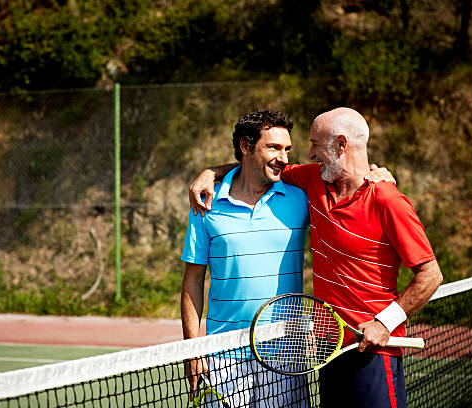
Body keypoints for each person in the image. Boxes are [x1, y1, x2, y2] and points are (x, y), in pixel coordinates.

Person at [188, 107, 443, 408]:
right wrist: (212, 172)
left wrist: (384, 323)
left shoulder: (388, 200)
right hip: (328, 349)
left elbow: (431, 275)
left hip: (373, 350)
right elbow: (257, 165)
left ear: (340, 145)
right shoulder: (311, 182)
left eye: (315, 144)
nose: (309, 154)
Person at [181, 108, 311, 407]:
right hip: (223, 356)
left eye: (287, 149)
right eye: (273, 147)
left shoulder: (301, 196)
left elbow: (346, 175)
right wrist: (193, 351)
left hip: (285, 353)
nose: (284, 158)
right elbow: (192, 283)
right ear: (245, 146)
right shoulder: (206, 203)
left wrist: (378, 175)